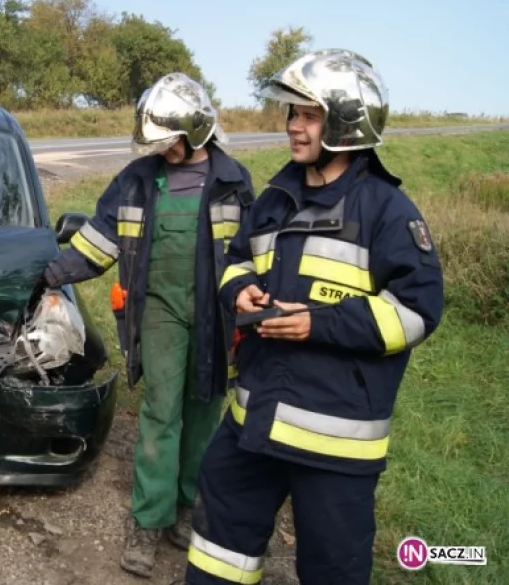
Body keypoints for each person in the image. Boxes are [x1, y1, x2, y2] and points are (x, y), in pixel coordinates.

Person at [182, 49, 445, 584]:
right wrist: (241, 291)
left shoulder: (387, 212)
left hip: (335, 446)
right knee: (216, 553)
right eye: (291, 113)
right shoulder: (276, 198)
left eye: (308, 116)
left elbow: (417, 311)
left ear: (346, 125)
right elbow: (236, 261)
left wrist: (317, 323)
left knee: (333, 571)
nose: (292, 126)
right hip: (254, 425)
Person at [42, 72, 255, 578]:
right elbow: (99, 243)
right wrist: (48, 274)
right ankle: (149, 521)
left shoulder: (234, 181)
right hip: (159, 311)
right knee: (161, 412)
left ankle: (188, 506)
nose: (164, 151)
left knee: (204, 409)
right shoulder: (136, 180)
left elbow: (253, 251)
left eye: (170, 141)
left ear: (196, 131)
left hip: (216, 314)